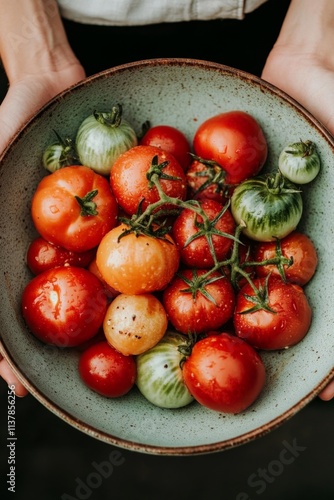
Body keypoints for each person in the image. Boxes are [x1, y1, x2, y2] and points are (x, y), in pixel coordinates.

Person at [0, 0, 333, 401]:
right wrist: (35, 56)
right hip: (70, 33)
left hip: (273, 25)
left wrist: (313, 45)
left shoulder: (186, 224)